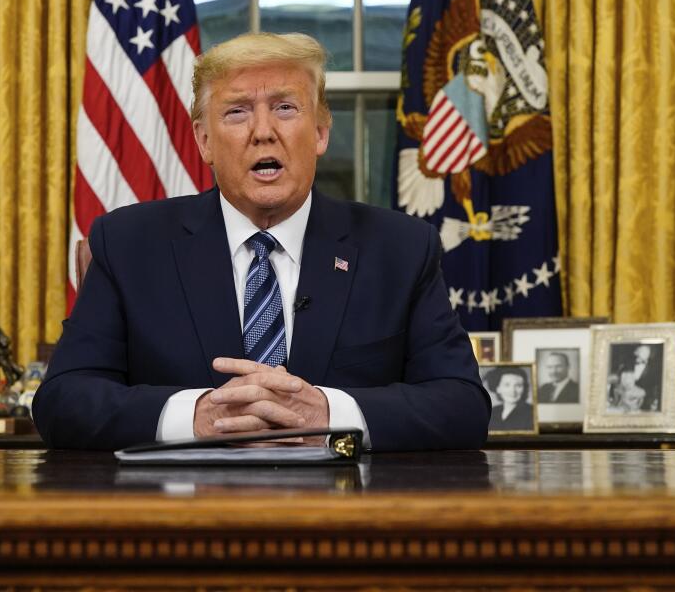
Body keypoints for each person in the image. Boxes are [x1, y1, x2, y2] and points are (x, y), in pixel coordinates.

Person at [32, 32, 491, 451]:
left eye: (286, 107)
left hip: (347, 522)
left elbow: (462, 405)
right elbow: (63, 401)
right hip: (181, 523)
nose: (263, 131)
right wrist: (198, 416)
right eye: (237, 111)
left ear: (321, 133)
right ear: (205, 141)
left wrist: (329, 415)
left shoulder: (401, 249)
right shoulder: (129, 245)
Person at [487, 367, 533, 431]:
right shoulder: (492, 412)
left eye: (518, 385)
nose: (512, 391)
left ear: (524, 388)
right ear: (498, 388)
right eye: (507, 385)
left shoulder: (531, 412)